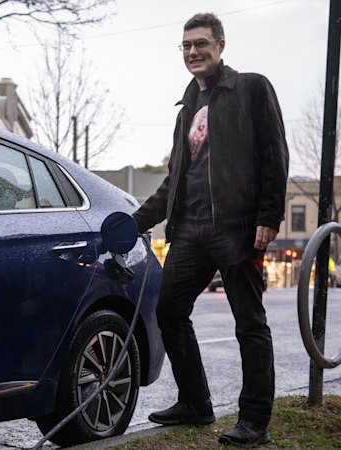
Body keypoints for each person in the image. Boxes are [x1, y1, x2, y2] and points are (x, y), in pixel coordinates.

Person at [132, 12, 288, 447]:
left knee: (249, 324)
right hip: (189, 232)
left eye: (201, 43)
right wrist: (135, 222)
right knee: (168, 311)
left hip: (236, 229)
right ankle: (195, 403)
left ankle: (254, 420)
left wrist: (268, 216)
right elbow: (174, 181)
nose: (193, 52)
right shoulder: (187, 111)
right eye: (186, 45)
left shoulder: (251, 89)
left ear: (220, 45)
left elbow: (275, 154)